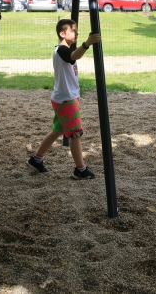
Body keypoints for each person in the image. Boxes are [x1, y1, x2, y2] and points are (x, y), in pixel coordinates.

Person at [26, 19, 101, 180]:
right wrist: (87, 43)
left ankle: (36, 159)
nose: (76, 32)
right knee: (75, 135)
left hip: (63, 98)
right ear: (62, 33)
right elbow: (74, 56)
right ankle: (80, 169)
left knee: (58, 130)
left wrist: (85, 42)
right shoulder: (61, 50)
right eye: (72, 30)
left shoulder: (64, 49)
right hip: (66, 100)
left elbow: (74, 54)